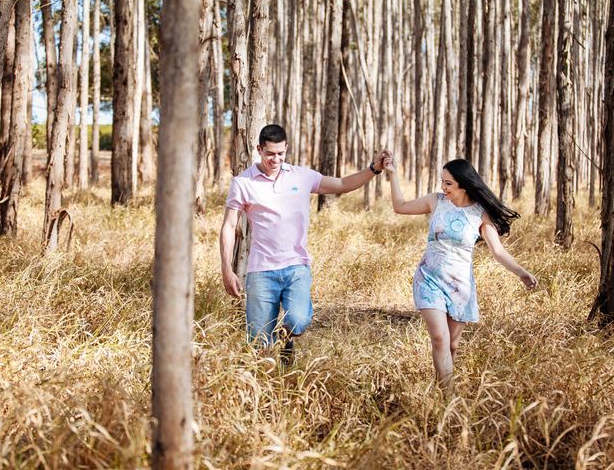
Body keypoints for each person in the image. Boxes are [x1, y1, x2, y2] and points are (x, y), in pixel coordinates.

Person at [220, 124, 389, 365]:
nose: (275, 159)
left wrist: (374, 169)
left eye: (280, 153)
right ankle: (273, 389)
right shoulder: (243, 182)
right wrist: (227, 269)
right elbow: (228, 227)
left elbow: (342, 184)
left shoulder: (302, 176)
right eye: (269, 154)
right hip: (261, 270)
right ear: (259, 149)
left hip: (296, 267)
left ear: (286, 148)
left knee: (298, 321)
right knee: (258, 345)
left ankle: (285, 339)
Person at [383, 157, 538, 388]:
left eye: (448, 184)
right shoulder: (436, 202)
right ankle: (448, 397)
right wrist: (393, 173)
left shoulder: (479, 214)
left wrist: (521, 272)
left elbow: (498, 251)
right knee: (440, 339)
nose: (443, 188)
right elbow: (400, 207)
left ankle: (441, 389)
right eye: (442, 182)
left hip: (460, 287)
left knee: (452, 347)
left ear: (463, 185)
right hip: (429, 279)